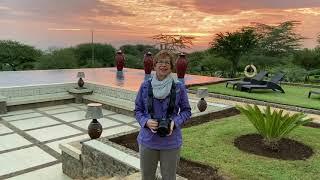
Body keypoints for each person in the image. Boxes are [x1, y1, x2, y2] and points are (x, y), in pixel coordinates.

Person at [134, 50, 191, 180]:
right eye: (160, 62)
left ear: (171, 67)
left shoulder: (178, 87)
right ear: (154, 65)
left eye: (167, 62)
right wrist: (145, 122)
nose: (163, 65)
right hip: (148, 140)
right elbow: (137, 110)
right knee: (147, 177)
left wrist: (174, 122)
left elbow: (186, 110)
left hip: (171, 142)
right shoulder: (145, 86)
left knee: (169, 177)